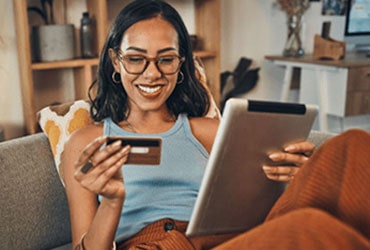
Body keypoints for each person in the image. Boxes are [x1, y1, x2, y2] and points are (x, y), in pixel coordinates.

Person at [61, 0, 317, 249]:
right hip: (148, 245)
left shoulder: (211, 132)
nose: (152, 74)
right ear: (116, 61)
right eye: (136, 59)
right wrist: (111, 201)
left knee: (349, 147)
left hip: (216, 240)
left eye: (166, 59)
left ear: (182, 62)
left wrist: (298, 179)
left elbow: (255, 208)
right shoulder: (86, 143)